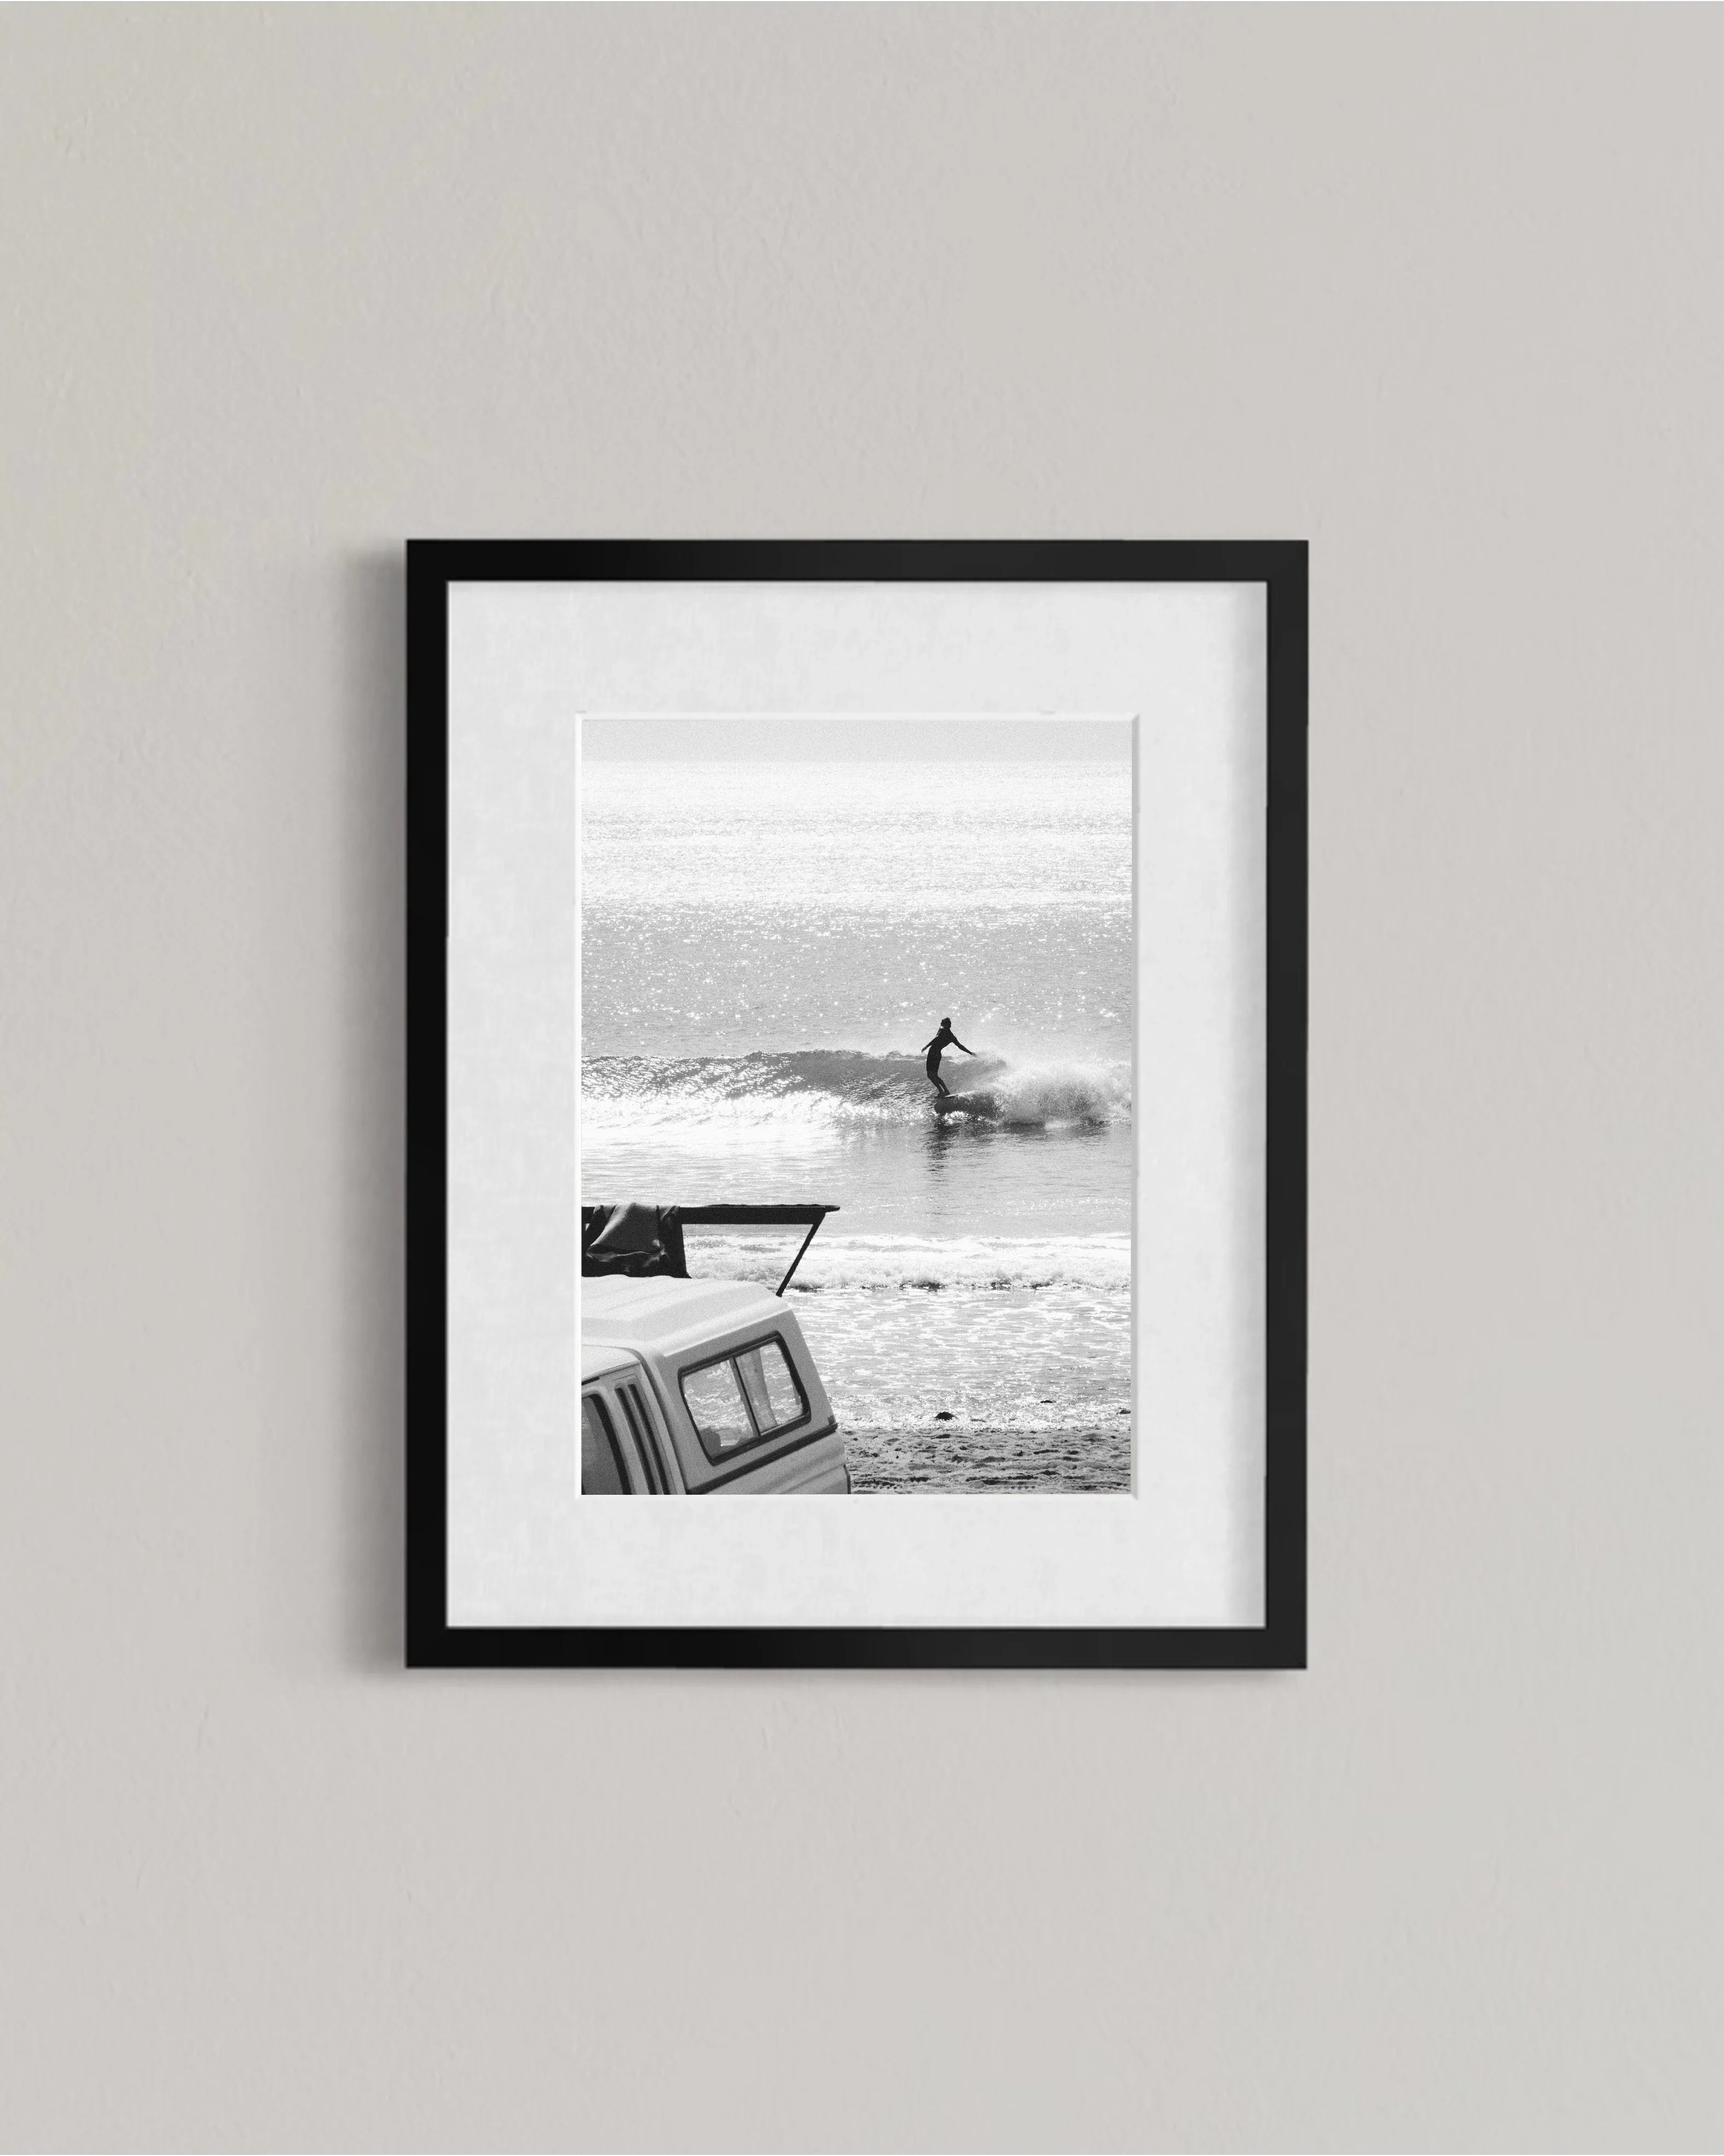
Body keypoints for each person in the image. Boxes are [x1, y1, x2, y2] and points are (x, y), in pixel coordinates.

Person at [922, 1015, 975, 1098]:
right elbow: (960, 1046)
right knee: (935, 1075)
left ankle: (941, 1091)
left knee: (930, 1075)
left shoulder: (942, 1029)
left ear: (946, 1025)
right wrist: (970, 1052)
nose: (941, 1025)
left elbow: (936, 1039)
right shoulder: (952, 1037)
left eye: (942, 1024)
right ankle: (946, 1091)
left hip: (933, 1053)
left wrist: (926, 1046)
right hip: (938, 1054)